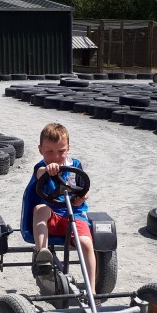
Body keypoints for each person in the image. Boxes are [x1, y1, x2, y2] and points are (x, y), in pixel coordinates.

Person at [20, 122, 96, 293]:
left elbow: (84, 188)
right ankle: (43, 255)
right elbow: (39, 174)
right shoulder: (41, 167)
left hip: (74, 215)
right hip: (51, 216)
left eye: (61, 151)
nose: (56, 156)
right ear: (40, 150)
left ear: (68, 148)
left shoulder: (75, 165)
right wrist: (48, 170)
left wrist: (82, 197)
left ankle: (92, 289)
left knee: (86, 243)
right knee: (40, 209)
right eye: (50, 152)